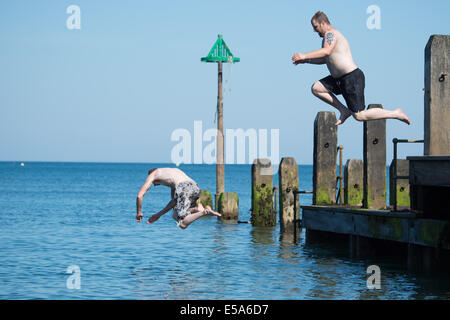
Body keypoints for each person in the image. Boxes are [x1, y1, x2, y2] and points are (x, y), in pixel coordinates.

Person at [292, 11, 410, 126]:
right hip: (339, 80)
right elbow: (325, 58)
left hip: (351, 78)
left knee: (359, 116)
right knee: (316, 88)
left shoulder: (331, 34)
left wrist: (304, 55)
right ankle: (344, 110)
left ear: (323, 23)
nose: (314, 30)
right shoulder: (326, 38)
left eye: (316, 27)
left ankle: (395, 113)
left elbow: (326, 51)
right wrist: (306, 61)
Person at [136, 168, 221, 229]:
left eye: (154, 183)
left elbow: (139, 196)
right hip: (195, 187)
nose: (154, 185)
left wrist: (139, 212)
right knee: (175, 215)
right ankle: (197, 209)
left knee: (182, 224)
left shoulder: (153, 174)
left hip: (184, 188)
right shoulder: (173, 172)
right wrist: (159, 214)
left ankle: (205, 211)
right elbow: (174, 201)